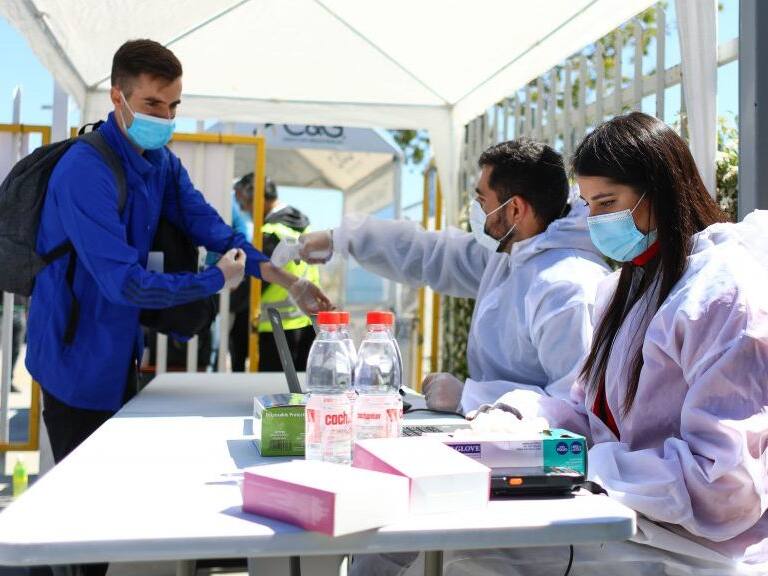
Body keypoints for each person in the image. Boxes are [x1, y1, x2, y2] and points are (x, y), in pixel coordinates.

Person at [399, 112, 768, 575]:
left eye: (607, 203)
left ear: (661, 190)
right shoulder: (629, 286)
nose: (594, 220)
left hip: (697, 547)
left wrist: (587, 467)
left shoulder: (721, 293)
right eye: (589, 204)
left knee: (472, 563)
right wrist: (518, 423)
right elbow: (589, 409)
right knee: (456, 549)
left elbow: (724, 486)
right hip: (630, 516)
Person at [26, 39, 332, 470]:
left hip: (121, 358)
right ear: (118, 96)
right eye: (152, 104)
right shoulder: (84, 170)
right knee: (87, 508)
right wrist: (214, 280)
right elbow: (124, 283)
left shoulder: (161, 164)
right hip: (74, 362)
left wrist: (291, 282)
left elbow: (215, 231)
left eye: (173, 106)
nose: (165, 117)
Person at [296, 139, 610, 412]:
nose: (476, 209)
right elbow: (431, 254)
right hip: (501, 439)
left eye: (481, 199)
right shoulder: (513, 255)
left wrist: (471, 397)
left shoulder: (568, 287)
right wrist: (341, 238)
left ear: (515, 210)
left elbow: (575, 404)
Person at [229, 173, 321, 371]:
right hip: (307, 325)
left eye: (244, 203)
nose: (245, 210)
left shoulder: (272, 232)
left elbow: (256, 281)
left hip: (277, 331)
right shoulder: (304, 225)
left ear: (259, 198)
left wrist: (227, 299)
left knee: (276, 398)